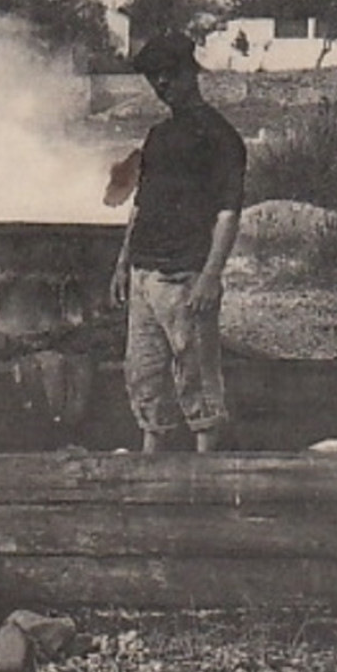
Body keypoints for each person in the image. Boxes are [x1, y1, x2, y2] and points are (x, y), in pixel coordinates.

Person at [109, 30, 247, 453]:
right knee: (146, 379)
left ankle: (206, 479)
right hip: (145, 274)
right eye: (155, 78)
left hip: (185, 275)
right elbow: (140, 204)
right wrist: (122, 263)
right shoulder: (157, 136)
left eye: (169, 74)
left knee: (197, 380)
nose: (162, 85)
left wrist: (211, 275)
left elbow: (228, 211)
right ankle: (152, 473)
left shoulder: (221, 137)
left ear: (191, 73)